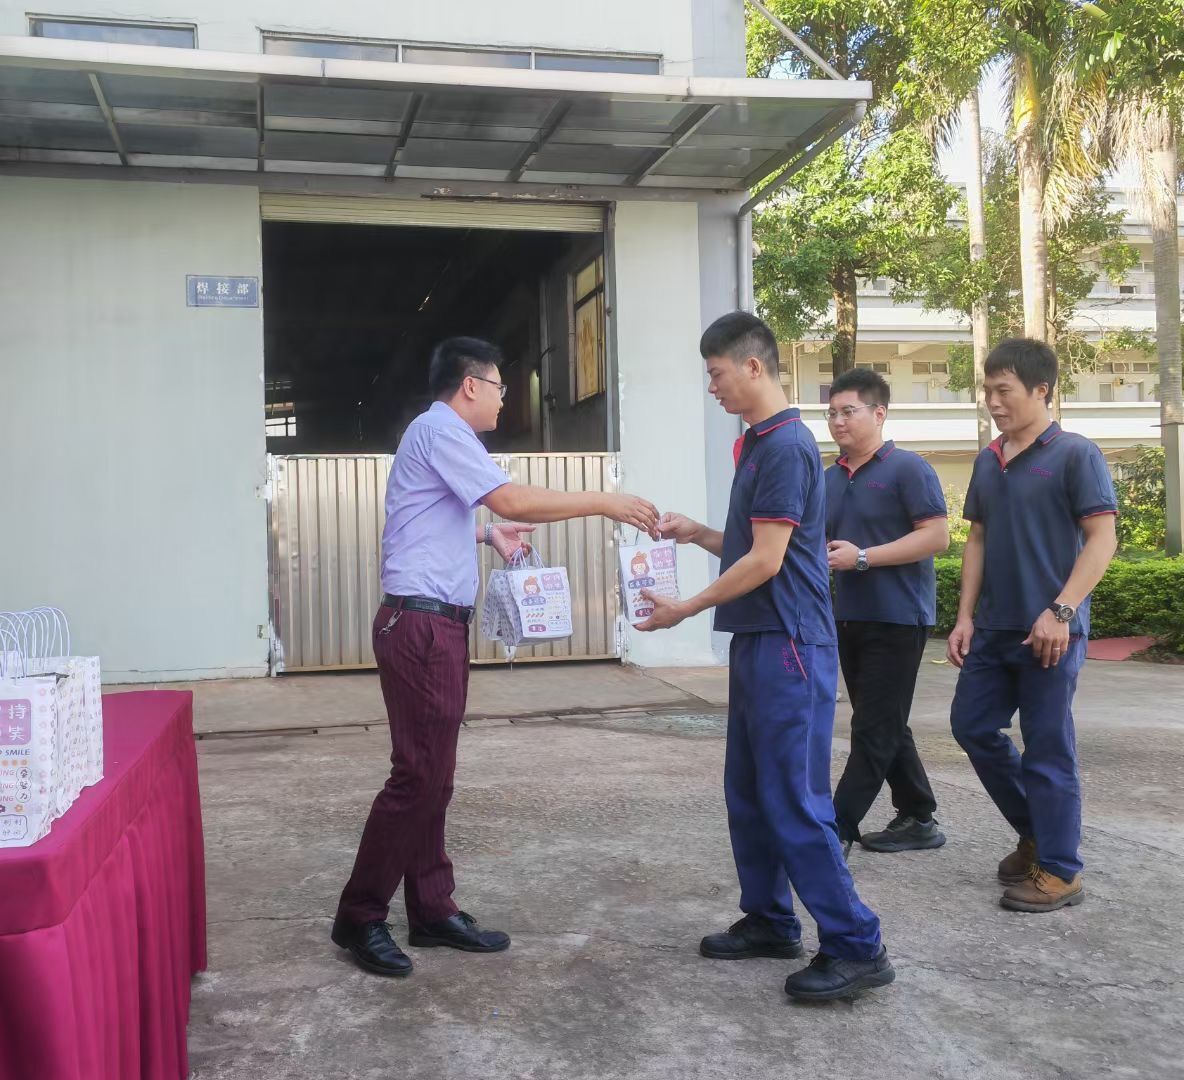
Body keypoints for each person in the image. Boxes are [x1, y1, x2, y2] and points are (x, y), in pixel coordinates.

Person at [331, 336, 660, 977]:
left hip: (435, 625)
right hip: (420, 627)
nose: (504, 401)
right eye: (500, 387)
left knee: (435, 776)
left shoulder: (439, 437)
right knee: (417, 777)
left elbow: (429, 517)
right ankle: (360, 915)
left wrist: (486, 533)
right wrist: (604, 500)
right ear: (471, 386)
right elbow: (511, 497)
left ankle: (431, 908)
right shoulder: (442, 430)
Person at [638, 312, 893, 1001]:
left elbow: (768, 561)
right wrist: (696, 532)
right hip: (759, 639)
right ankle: (771, 919)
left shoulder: (784, 446)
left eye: (717, 373)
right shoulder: (756, 442)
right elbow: (757, 546)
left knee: (794, 799)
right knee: (749, 792)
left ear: (753, 366)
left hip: (791, 647)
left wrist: (685, 608)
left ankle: (856, 944)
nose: (712, 387)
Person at [947, 338, 1117, 913]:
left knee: (1047, 747)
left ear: (1041, 390)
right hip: (995, 628)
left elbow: (1102, 539)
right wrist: (965, 616)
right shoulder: (987, 460)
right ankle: (1038, 833)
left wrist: (1061, 610)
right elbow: (978, 539)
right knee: (972, 727)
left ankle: (1061, 870)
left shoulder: (1075, 454)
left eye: (1004, 391)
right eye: (987, 391)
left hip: (1052, 631)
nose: (993, 402)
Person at [822, 369, 950, 856]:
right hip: (848, 617)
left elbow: (936, 536)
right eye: (831, 413)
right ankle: (918, 815)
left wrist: (863, 557)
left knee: (873, 727)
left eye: (848, 411)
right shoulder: (830, 478)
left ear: (879, 413)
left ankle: (835, 830)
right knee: (884, 719)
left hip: (898, 617)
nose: (838, 421)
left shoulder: (908, 468)